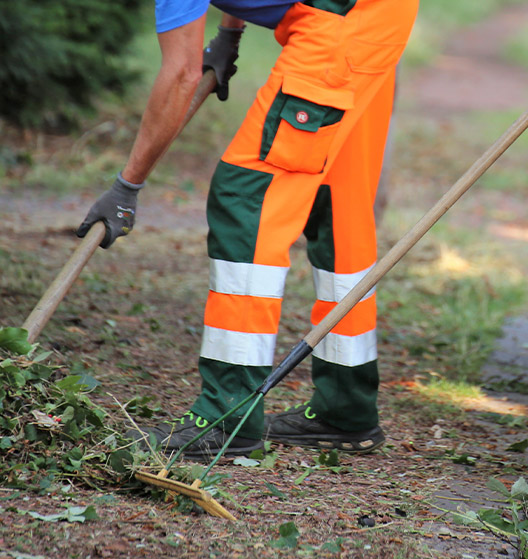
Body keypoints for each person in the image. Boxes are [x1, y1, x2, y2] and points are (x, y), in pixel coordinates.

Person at [76, 0, 418, 459]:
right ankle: (346, 408)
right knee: (337, 207)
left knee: (247, 198)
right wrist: (229, 36)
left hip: (339, 32)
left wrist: (126, 187)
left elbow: (181, 74)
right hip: (378, 21)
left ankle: (228, 416)